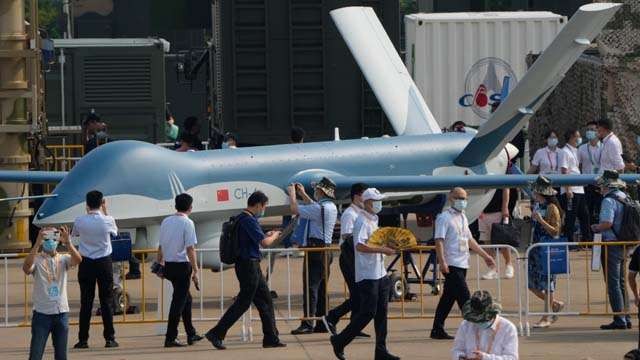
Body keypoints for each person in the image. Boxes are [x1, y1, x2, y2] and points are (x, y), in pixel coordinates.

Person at [205, 191, 286, 349]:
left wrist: (266, 234)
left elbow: (253, 239)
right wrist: (275, 234)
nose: (264, 210)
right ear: (258, 205)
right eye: (264, 206)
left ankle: (271, 337)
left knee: (265, 301)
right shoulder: (249, 220)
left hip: (248, 265)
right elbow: (265, 243)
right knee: (243, 302)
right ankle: (216, 333)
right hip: (248, 265)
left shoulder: (241, 218)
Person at [329, 188, 400, 360]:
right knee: (368, 312)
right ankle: (340, 340)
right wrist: (382, 249)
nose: (379, 204)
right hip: (367, 275)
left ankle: (381, 351)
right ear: (368, 202)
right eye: (376, 201)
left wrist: (389, 243)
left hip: (380, 273)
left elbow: (374, 240)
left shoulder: (374, 218)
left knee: (382, 313)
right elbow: (359, 246)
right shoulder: (361, 220)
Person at [431, 187, 496, 340]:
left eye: (465, 198)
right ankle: (476, 328)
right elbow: (438, 241)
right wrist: (442, 262)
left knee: (448, 298)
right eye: (459, 197)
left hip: (462, 262)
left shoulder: (463, 217)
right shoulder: (444, 218)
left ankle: (437, 329)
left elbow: (470, 240)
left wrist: (485, 255)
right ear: (451, 198)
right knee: (465, 298)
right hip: (451, 263)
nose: (462, 201)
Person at [289, 177, 338, 335]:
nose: (315, 192)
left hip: (316, 250)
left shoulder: (320, 209)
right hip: (326, 249)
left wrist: (292, 195)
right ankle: (323, 322)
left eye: (316, 189)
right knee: (322, 287)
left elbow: (295, 209)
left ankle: (308, 323)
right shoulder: (329, 207)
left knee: (311, 286)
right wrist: (303, 193)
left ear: (321, 191)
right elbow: (314, 207)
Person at [24, 227, 82, 360]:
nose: (50, 241)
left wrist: (68, 242)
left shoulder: (63, 258)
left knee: (61, 356)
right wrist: (37, 243)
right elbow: (26, 268)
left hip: (61, 313)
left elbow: (78, 260)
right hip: (42, 315)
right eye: (47, 238)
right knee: (36, 355)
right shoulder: (37, 260)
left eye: (53, 237)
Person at [72, 190, 119, 349]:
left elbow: (75, 234)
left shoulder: (79, 220)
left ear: (86, 204)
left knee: (86, 302)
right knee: (106, 300)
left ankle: (83, 339)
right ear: (102, 202)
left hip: (86, 262)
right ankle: (109, 338)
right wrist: (105, 210)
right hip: (104, 261)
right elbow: (115, 233)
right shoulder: (108, 220)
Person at [323, 183, 370, 338]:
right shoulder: (350, 214)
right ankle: (332, 316)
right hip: (349, 257)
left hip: (358, 257)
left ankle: (354, 326)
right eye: (366, 195)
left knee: (360, 294)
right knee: (358, 295)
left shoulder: (363, 213)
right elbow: (346, 236)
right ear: (357, 196)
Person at [157, 193, 203, 347]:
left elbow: (161, 246)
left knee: (186, 299)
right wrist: (196, 270)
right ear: (190, 207)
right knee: (178, 302)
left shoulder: (166, 221)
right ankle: (170, 337)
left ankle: (191, 333)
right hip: (182, 266)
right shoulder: (188, 223)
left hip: (169, 265)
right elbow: (190, 248)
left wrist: (159, 263)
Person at [592, 170, 632, 330]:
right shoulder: (624, 197)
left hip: (611, 243)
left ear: (606, 185)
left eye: (601, 184)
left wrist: (595, 227)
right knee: (622, 282)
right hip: (625, 243)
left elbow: (607, 223)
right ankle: (626, 316)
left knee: (613, 282)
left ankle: (619, 318)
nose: (600, 187)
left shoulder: (608, 201)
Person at [527, 176, 565, 328]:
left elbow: (555, 232)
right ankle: (555, 304)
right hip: (535, 249)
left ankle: (546, 316)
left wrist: (541, 221)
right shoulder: (536, 205)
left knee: (548, 285)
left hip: (547, 249)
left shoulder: (552, 208)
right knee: (532, 285)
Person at [452, 290, 519, 360]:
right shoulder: (466, 325)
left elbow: (512, 357)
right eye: (475, 319)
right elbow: (456, 350)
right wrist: (461, 357)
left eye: (481, 320)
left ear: (492, 314)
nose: (478, 322)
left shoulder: (508, 328)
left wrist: (485, 357)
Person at [559, 129, 592, 243]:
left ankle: (586, 240)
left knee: (585, 215)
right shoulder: (564, 151)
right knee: (571, 217)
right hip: (571, 189)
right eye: (577, 136)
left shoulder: (576, 151)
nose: (579, 139)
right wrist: (568, 189)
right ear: (571, 137)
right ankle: (569, 242)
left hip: (579, 189)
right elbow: (564, 170)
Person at [479, 188, 515, 280]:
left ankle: (509, 265)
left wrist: (505, 207)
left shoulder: (501, 173)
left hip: (497, 211)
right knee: (487, 241)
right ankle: (493, 269)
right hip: (482, 212)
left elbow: (506, 188)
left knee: (502, 240)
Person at [578, 121, 603, 224]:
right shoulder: (581, 148)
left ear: (598, 131)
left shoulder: (605, 147)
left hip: (601, 185)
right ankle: (589, 236)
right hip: (586, 186)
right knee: (587, 213)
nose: (589, 132)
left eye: (592, 130)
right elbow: (577, 166)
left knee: (601, 212)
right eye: (588, 130)